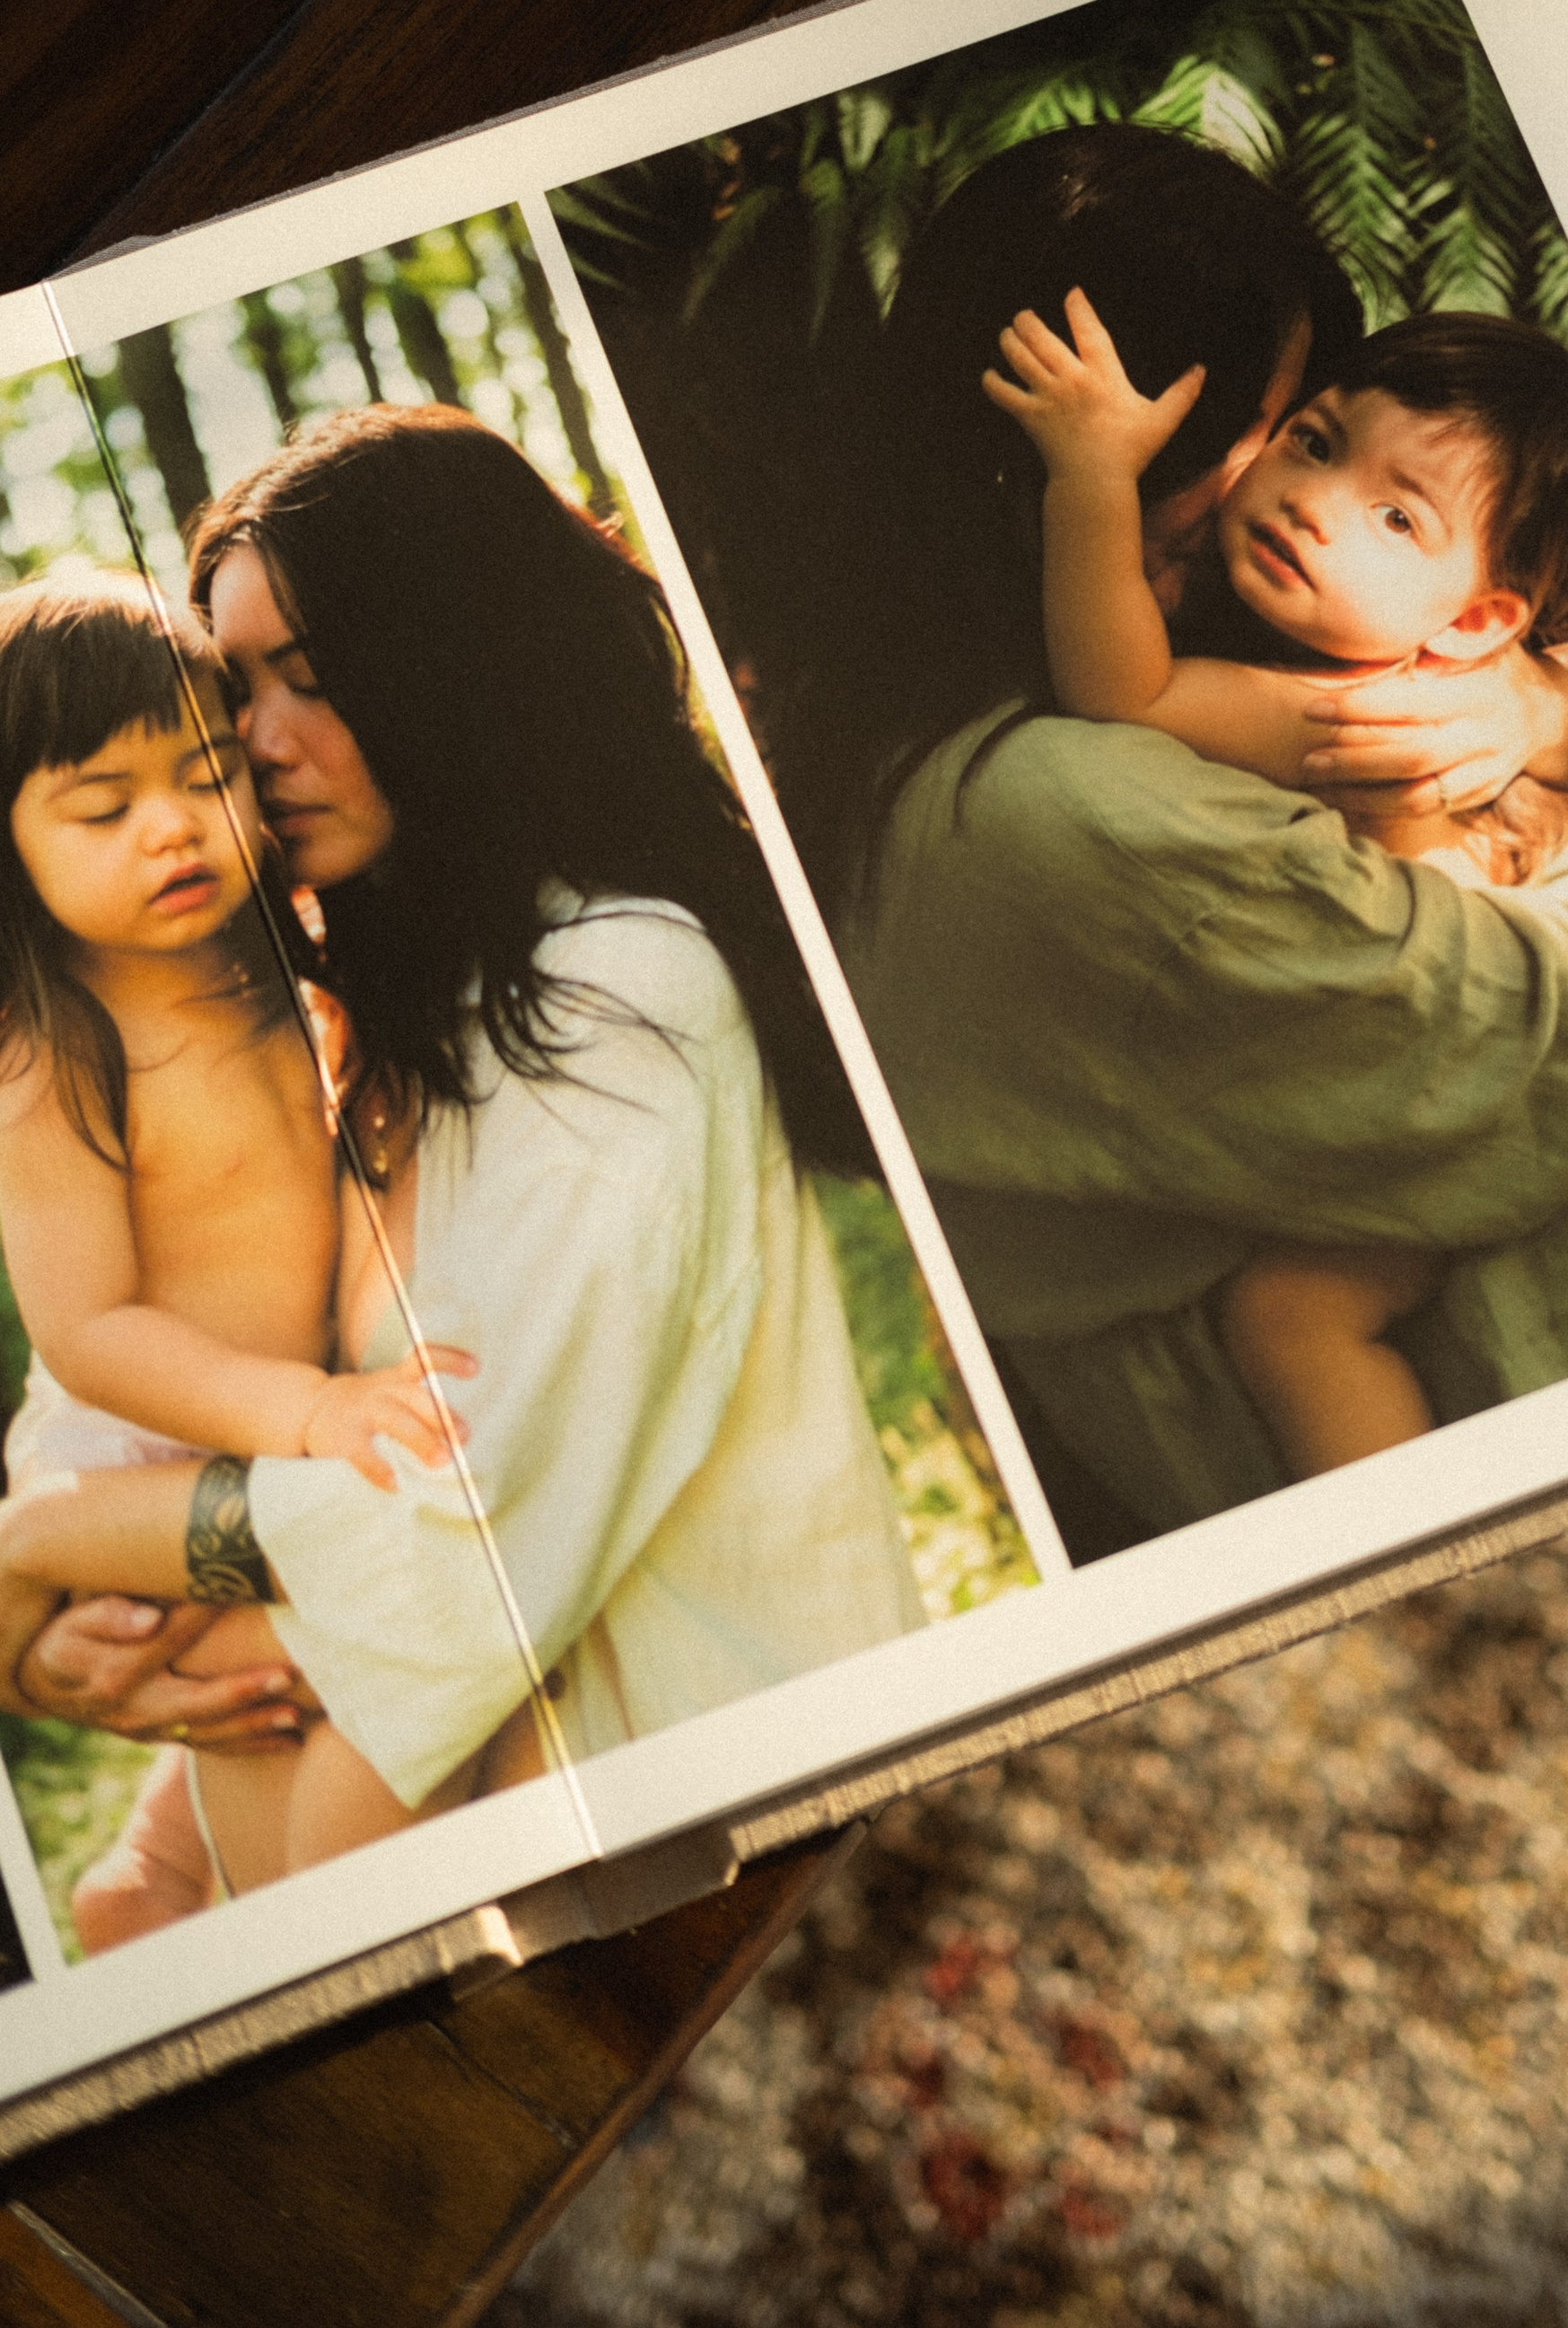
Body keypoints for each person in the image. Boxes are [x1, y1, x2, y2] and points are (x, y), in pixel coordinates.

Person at [771, 122, 1568, 1555]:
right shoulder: (1068, 796)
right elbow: (1547, 1041)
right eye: (1289, 437)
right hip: (1360, 1215)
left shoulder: (1243, 674)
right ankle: (1425, 1566)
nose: (1288, 499)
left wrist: (1561, 709)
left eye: (1367, 488)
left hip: (1439, 1058)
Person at [0, 407, 924, 1923]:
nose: (257, 741)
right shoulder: (378, 1024)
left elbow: (464, 1522)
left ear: (461, 663)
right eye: (239, 689)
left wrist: (38, 1553)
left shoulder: (620, 988)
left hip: (748, 1854)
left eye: (314, 677)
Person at [985, 294, 1568, 1474]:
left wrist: (1093, 475)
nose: (1315, 505)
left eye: (1394, 516)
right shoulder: (1442, 676)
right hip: (1462, 1042)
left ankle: (1415, 1543)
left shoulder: (1361, 707)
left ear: (1479, 619)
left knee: (1293, 1317)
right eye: (1317, 441)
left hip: (1475, 1091)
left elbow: (1124, 689)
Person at [0, 577, 473, 1924]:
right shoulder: (56, 1053)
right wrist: (312, 1409)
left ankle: (153, 1878)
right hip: (136, 1451)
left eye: (207, 776)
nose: (173, 828)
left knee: (292, 1658)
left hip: (268, 1431)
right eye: (103, 807)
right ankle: (206, 1896)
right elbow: (87, 1332)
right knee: (269, 1681)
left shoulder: (275, 955)